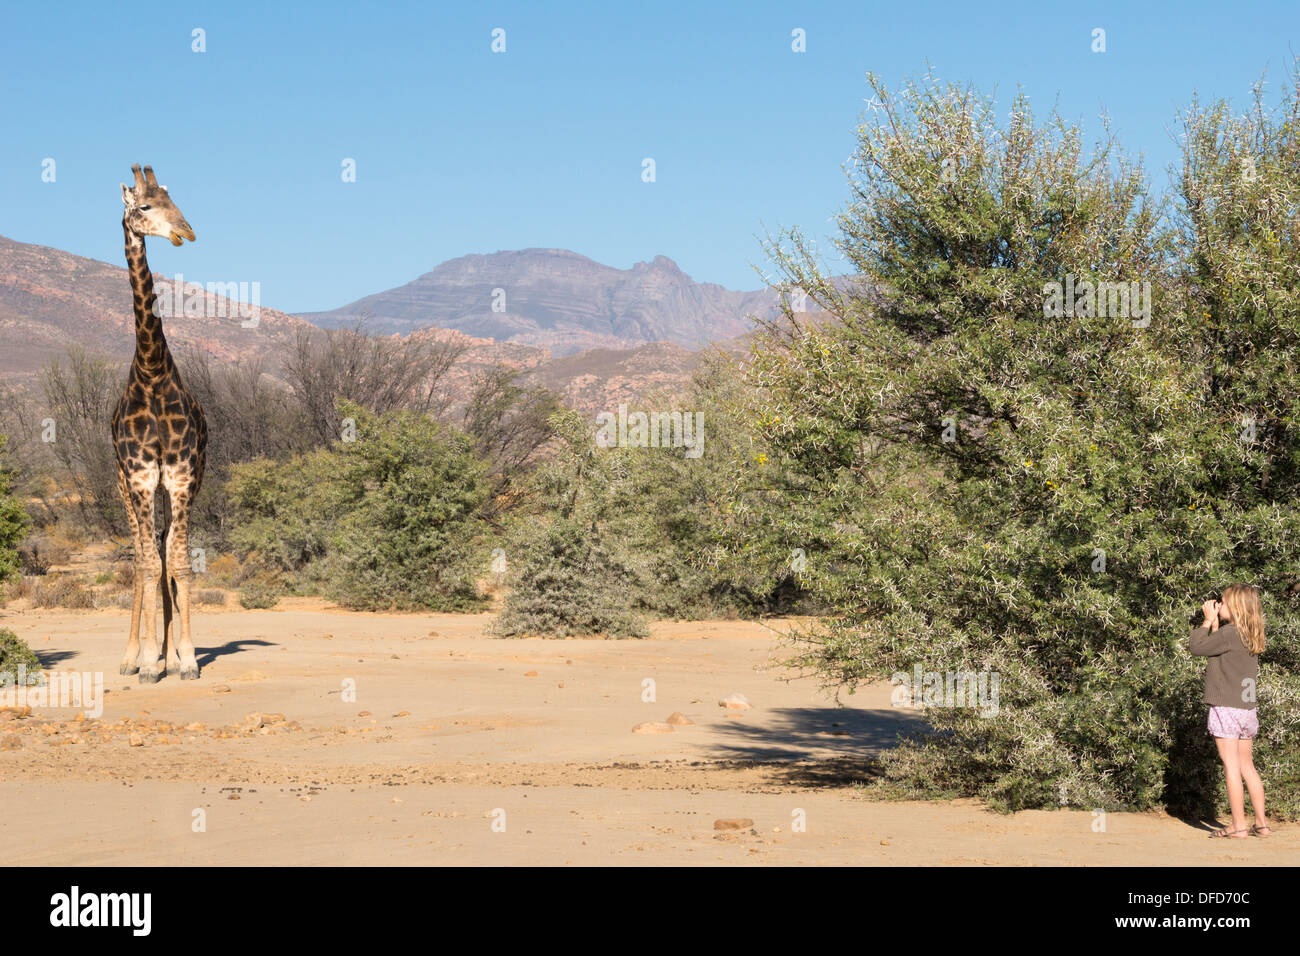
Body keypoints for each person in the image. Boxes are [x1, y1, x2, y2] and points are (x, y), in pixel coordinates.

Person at [1189, 584, 1270, 839]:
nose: (1218, 605)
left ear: (1234, 607)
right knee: (1248, 766)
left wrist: (1206, 621)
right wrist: (1216, 626)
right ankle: (1262, 823)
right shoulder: (1249, 633)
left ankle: (1238, 825)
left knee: (1231, 767)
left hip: (1227, 707)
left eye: (1222, 602)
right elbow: (1220, 648)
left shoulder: (1230, 633)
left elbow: (1198, 647)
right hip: (1247, 709)